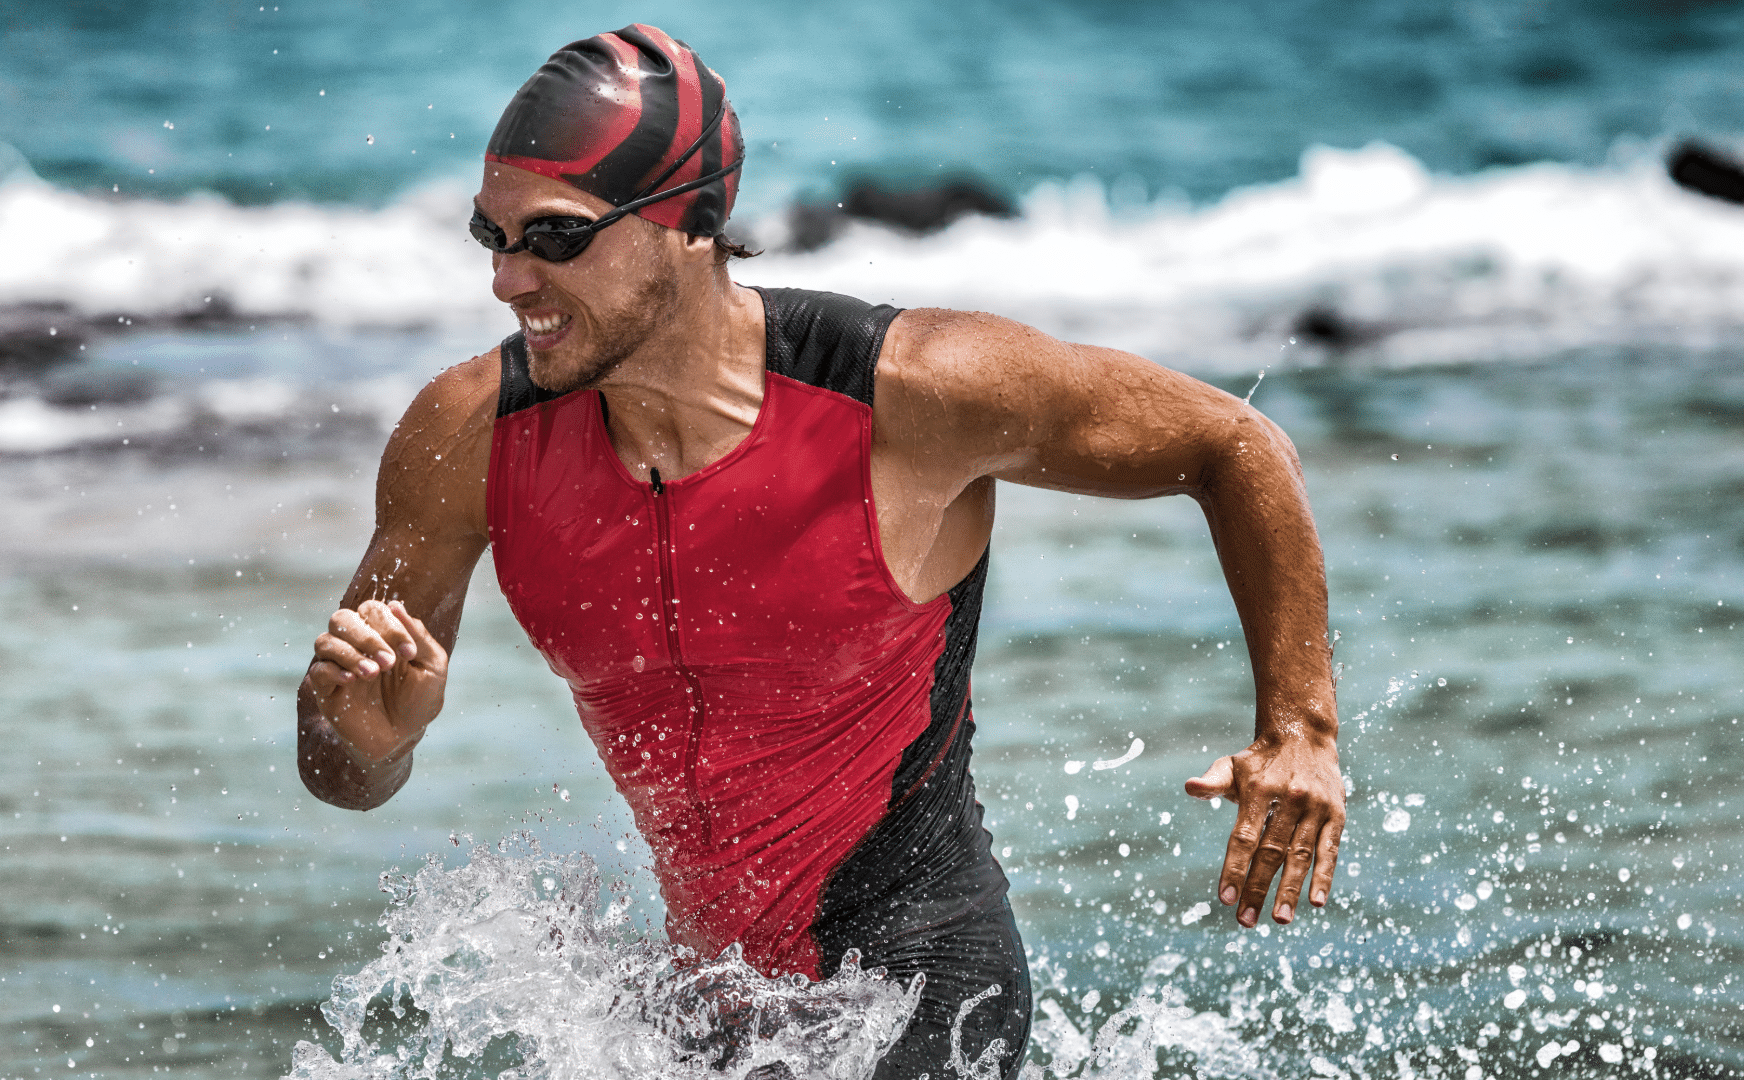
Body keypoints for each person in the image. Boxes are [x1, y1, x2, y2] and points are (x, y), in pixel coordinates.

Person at [296, 24, 1345, 1080]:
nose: (507, 281)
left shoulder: (911, 394)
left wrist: (1299, 729)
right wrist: (375, 742)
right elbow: (338, 772)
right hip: (705, 1015)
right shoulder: (469, 436)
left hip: (917, 995)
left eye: (555, 238)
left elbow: (1234, 444)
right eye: (493, 236)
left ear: (692, 224)